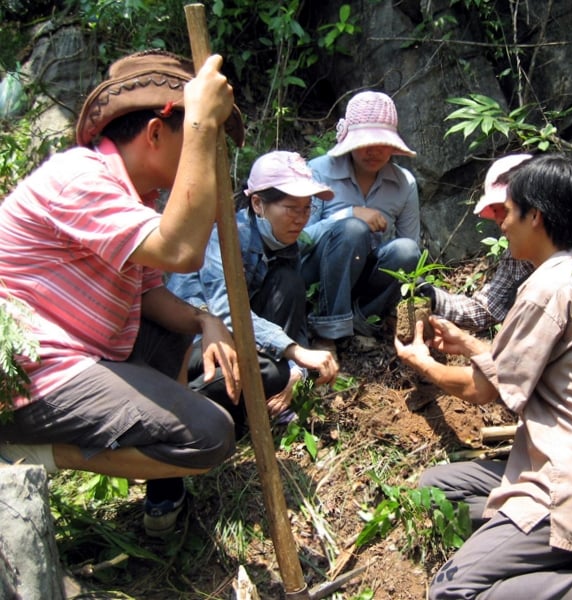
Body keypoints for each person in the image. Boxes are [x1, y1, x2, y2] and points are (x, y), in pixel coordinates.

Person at [0, 49, 243, 538]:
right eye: (200, 141)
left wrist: (203, 320)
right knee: (211, 437)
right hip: (31, 378)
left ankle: (162, 488)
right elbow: (180, 250)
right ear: (156, 133)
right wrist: (200, 123)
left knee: (169, 332)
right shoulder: (80, 180)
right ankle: (36, 453)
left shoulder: (136, 196)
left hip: (82, 357)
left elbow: (150, 294)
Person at [395, 153, 572, 598]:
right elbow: (529, 360)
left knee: (449, 591)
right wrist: (468, 344)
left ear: (536, 216)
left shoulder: (548, 286)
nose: (502, 224)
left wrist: (423, 364)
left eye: (507, 212)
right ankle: (549, 550)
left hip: (569, 474)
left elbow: (483, 388)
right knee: (433, 491)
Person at [167, 150, 340, 438]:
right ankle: (173, 411)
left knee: (289, 283)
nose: (301, 219)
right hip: (194, 346)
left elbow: (293, 317)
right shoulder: (227, 238)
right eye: (291, 208)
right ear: (258, 204)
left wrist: (298, 371)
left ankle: (266, 399)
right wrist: (294, 352)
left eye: (306, 209)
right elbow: (225, 314)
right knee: (271, 373)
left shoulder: (285, 244)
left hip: (242, 341)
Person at [421, 153, 572, 332]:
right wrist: (433, 297)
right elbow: (487, 307)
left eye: (504, 208)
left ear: (533, 209)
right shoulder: (516, 257)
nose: (499, 220)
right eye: (494, 211)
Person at [301, 91, 421, 353]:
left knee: (407, 251)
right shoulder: (319, 171)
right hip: (318, 276)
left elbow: (412, 253)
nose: (374, 150)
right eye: (366, 141)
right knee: (352, 229)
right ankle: (327, 332)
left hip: (366, 279)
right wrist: (347, 215)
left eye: (382, 142)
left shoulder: (405, 184)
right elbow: (300, 241)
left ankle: (362, 321)